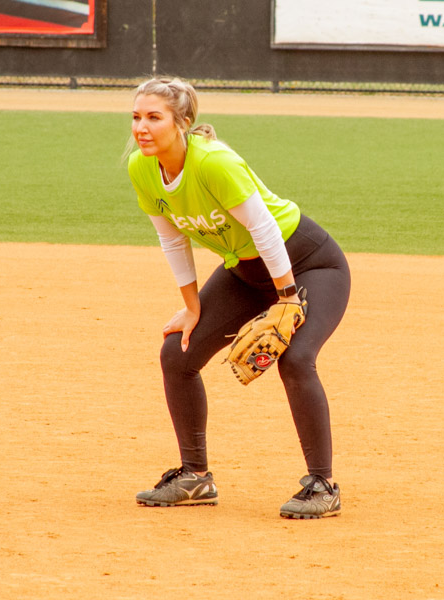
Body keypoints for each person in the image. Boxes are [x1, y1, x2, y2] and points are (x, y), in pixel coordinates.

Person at [126, 77, 351, 519]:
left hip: (308, 264)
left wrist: (287, 297)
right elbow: (172, 240)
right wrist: (192, 308)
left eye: (154, 117)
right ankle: (195, 477)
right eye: (136, 117)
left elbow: (265, 228)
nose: (141, 128)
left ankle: (323, 486)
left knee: (296, 358)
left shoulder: (214, 162)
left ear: (182, 123)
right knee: (178, 353)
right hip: (246, 272)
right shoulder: (142, 168)